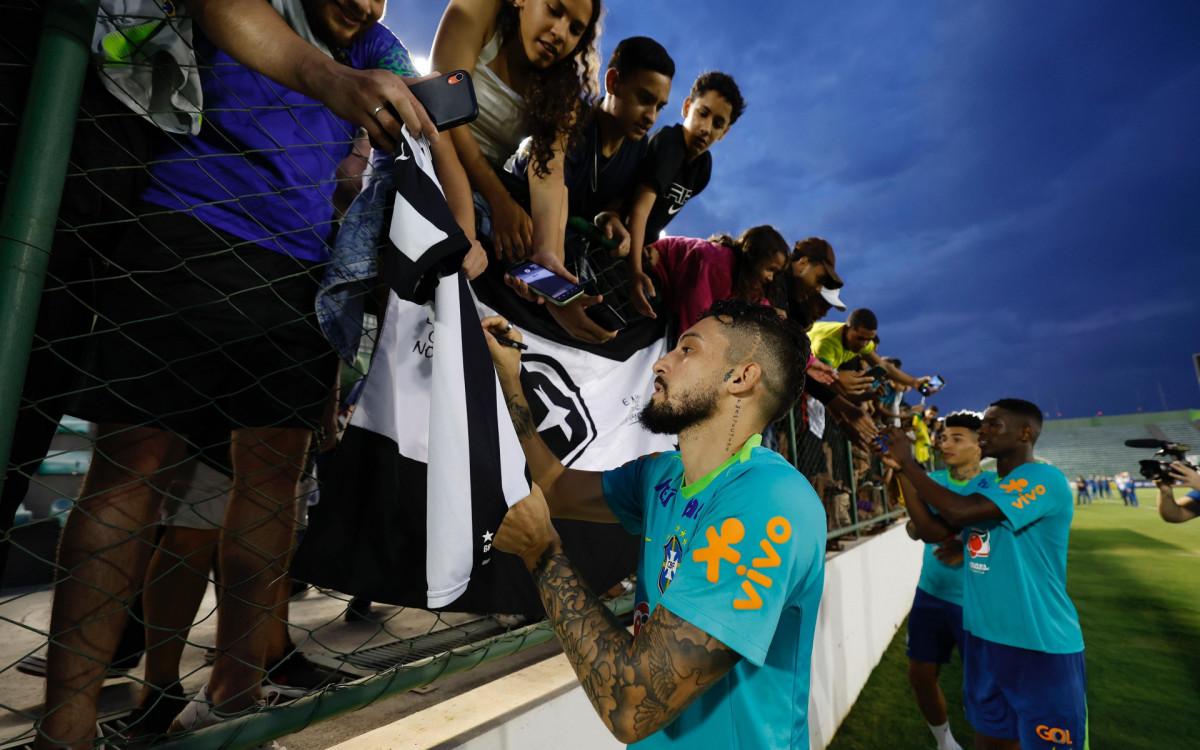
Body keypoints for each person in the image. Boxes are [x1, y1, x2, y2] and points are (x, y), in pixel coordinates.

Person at [35, 2, 482, 745]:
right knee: (132, 470)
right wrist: (333, 80)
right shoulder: (259, 10)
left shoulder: (379, 45)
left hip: (299, 278)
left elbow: (440, 141)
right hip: (181, 226)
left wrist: (463, 236)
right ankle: (66, 727)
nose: (367, 4)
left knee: (273, 478)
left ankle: (236, 694)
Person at [481, 299, 825, 747]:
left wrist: (543, 555)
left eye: (687, 350)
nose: (661, 363)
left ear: (740, 378)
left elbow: (631, 707)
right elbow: (555, 484)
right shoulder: (661, 474)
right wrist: (511, 379)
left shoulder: (768, 500)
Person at [883, 399, 1086, 750]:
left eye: (995, 425)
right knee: (991, 741)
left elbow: (960, 512)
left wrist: (910, 465)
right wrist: (902, 471)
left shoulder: (1044, 477)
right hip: (984, 639)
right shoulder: (986, 488)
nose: (985, 431)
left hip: (1039, 644)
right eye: (984, 425)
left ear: (1025, 433)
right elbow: (932, 530)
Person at [431, 0, 602, 268]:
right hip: (427, 157)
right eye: (554, 11)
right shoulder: (480, 8)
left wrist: (548, 251)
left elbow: (548, 172)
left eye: (575, 29)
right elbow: (444, 105)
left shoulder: (563, 93)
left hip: (479, 194)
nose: (560, 32)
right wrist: (500, 200)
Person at [891, 412, 996, 750]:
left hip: (975, 601)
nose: (945, 443)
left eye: (957, 438)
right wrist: (919, 527)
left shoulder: (993, 486)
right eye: (944, 437)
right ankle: (945, 742)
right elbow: (916, 527)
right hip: (930, 594)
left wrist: (964, 548)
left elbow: (1003, 539)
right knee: (920, 676)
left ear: (979, 446)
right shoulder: (931, 479)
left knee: (983, 688)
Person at [627, 71, 746, 318]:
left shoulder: (702, 169)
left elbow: (662, 211)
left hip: (636, 246)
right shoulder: (670, 143)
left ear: (725, 132)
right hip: (613, 233)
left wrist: (649, 245)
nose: (706, 128)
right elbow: (639, 209)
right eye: (703, 113)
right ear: (687, 107)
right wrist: (635, 270)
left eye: (718, 124)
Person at [647, 226, 789, 333]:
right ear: (754, 257)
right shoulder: (716, 263)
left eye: (775, 273)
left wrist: (773, 317)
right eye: (770, 269)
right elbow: (693, 316)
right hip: (651, 273)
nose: (770, 278)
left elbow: (759, 309)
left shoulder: (746, 281)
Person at [808, 308, 931, 398]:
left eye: (869, 339)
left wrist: (914, 382)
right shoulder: (825, 345)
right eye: (860, 338)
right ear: (847, 328)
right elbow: (820, 385)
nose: (864, 344)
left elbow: (885, 366)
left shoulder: (865, 342)